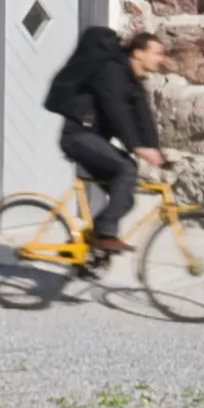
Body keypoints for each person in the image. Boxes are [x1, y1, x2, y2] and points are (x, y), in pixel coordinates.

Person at [44, 23, 166, 255]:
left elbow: (142, 116)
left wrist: (155, 149)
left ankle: (85, 245)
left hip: (91, 137)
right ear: (138, 53)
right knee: (126, 170)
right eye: (157, 52)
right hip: (78, 136)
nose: (161, 59)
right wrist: (137, 147)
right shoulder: (113, 71)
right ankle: (104, 234)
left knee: (126, 197)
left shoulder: (132, 78)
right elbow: (116, 110)